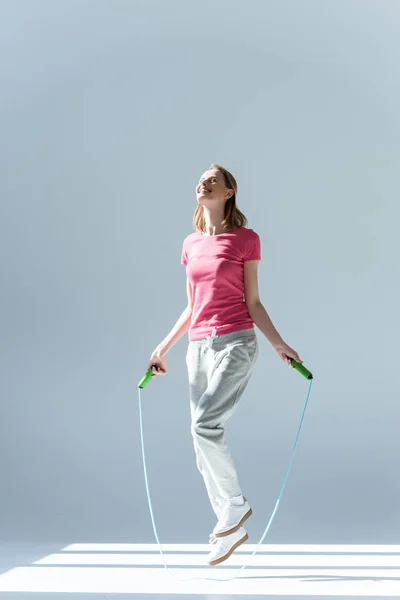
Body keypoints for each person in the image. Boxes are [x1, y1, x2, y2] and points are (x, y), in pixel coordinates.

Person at [147, 163, 302, 566]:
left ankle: (235, 506)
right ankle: (227, 524)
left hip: (235, 341)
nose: (204, 183)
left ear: (229, 191)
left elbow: (253, 301)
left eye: (213, 179)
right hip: (196, 348)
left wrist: (278, 343)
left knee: (205, 425)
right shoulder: (190, 244)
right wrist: (162, 348)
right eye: (201, 179)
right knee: (200, 442)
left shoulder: (246, 240)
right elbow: (192, 306)